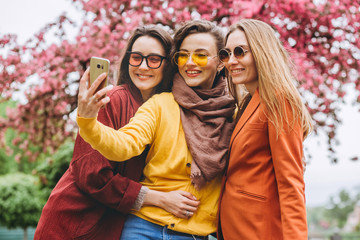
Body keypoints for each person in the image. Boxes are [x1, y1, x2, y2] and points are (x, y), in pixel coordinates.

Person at [34, 25, 199, 240]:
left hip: (115, 224)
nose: (143, 66)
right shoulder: (112, 100)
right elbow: (92, 174)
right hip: (75, 221)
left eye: (154, 59)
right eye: (136, 57)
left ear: (168, 64)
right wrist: (159, 198)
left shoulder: (169, 107)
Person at [76, 20, 236, 239]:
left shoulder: (233, 114)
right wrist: (89, 122)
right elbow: (124, 144)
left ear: (220, 63)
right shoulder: (160, 104)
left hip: (192, 234)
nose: (190, 63)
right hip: (142, 227)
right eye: (183, 55)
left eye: (200, 55)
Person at [217, 19, 313, 239]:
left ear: (262, 52)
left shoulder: (279, 100)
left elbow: (291, 184)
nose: (231, 61)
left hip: (259, 230)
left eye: (240, 52)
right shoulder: (248, 103)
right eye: (226, 53)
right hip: (236, 229)